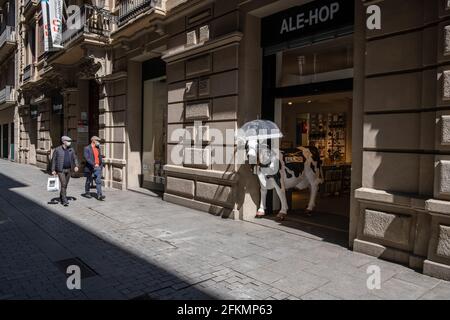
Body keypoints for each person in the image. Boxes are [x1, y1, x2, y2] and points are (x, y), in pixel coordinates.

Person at [51, 136, 79, 206]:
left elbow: (75, 158)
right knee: (63, 184)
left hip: (69, 169)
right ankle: (64, 200)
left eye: (70, 141)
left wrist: (76, 166)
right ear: (63, 141)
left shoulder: (71, 149)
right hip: (61, 170)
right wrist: (53, 170)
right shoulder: (57, 149)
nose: (69, 142)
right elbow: (53, 160)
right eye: (68, 141)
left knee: (65, 185)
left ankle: (61, 196)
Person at [83, 136, 105, 201]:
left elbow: (98, 157)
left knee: (98, 181)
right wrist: (93, 164)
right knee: (88, 181)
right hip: (90, 167)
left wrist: (100, 165)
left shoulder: (98, 148)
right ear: (93, 141)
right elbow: (87, 158)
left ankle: (99, 195)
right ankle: (87, 192)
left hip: (98, 167)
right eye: (97, 141)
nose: (98, 142)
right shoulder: (86, 148)